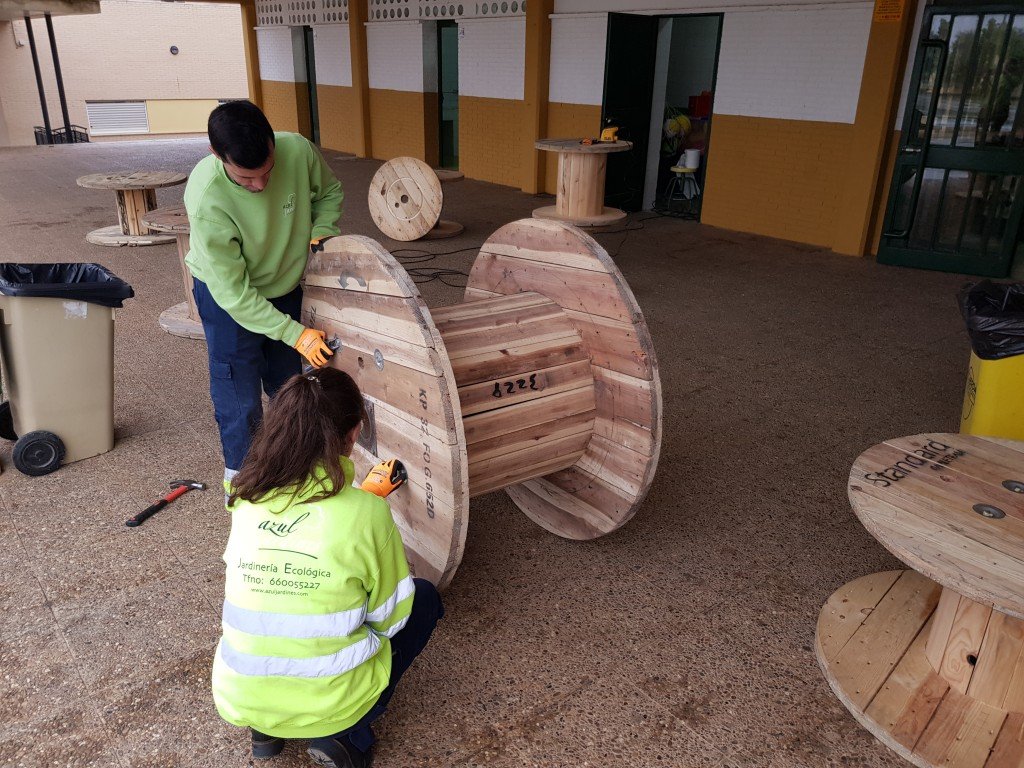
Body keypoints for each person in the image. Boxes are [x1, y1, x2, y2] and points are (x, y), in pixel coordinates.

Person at [212, 367, 443, 768]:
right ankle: (345, 735)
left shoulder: (244, 498)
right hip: (333, 704)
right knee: (423, 599)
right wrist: (365, 510)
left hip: (240, 693)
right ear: (353, 435)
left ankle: (266, 729)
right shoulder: (367, 514)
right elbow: (390, 621)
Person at [184, 100, 342, 488]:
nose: (261, 185)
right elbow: (236, 296)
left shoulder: (298, 150)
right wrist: (294, 333)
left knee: (289, 385)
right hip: (227, 298)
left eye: (268, 171)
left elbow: (329, 193)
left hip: (284, 286)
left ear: (274, 142)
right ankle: (240, 487)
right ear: (215, 155)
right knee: (239, 398)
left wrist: (322, 228)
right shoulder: (207, 198)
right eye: (246, 179)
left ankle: (296, 468)